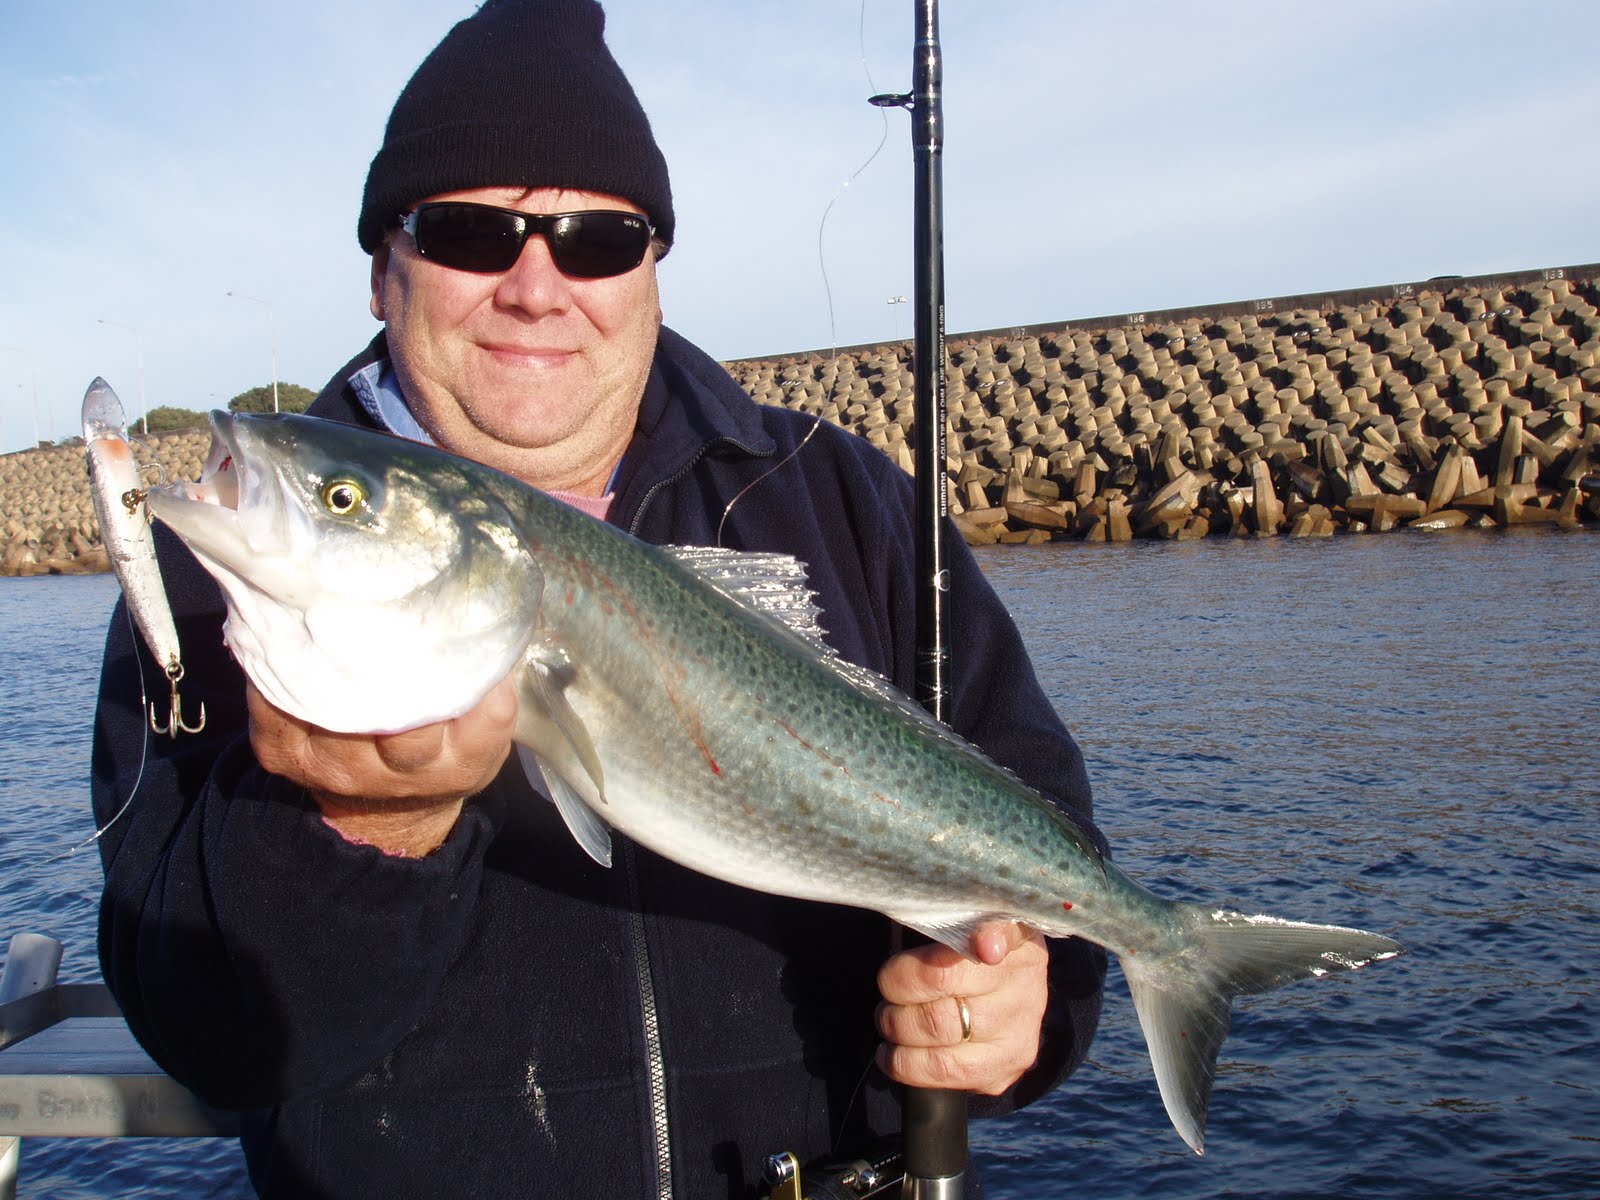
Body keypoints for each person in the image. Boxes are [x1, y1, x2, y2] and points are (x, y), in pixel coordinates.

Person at [91, 1, 1108, 1196]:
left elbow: (1045, 830)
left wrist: (1032, 1001)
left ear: (652, 273)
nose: (536, 285)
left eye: (598, 239)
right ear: (382, 268)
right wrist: (353, 836)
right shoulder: (216, 583)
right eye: (472, 232)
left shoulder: (835, 494)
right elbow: (215, 1032)